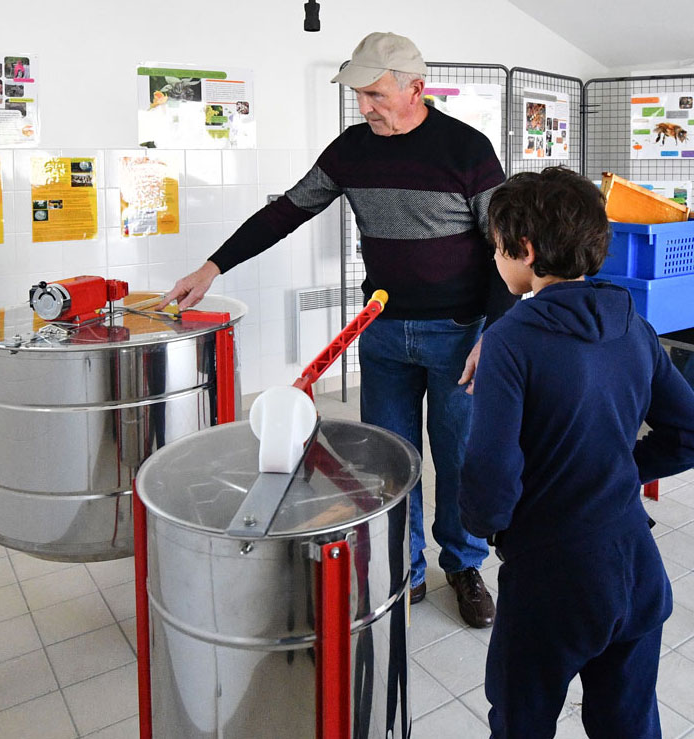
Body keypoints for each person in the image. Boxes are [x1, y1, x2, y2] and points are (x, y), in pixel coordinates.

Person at [158, 31, 514, 628]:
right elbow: (286, 211)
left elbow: (503, 245)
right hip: (380, 332)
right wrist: (214, 264)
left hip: (459, 334)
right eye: (358, 95)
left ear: (414, 88)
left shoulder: (467, 149)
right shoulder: (351, 149)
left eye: (375, 94)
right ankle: (407, 566)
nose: (364, 106)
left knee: (458, 459)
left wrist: (495, 335)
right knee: (387, 461)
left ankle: (464, 565)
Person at [459, 167, 694, 737]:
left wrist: (487, 523)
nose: (495, 260)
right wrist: (614, 470)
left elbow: (490, 471)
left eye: (497, 248)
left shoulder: (510, 341)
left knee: (522, 719)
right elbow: (688, 430)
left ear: (527, 250)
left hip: (552, 577)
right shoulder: (634, 324)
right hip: (637, 566)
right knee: (629, 721)